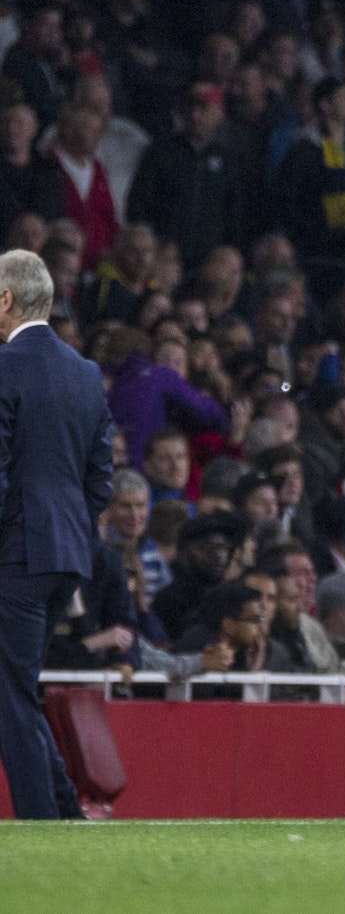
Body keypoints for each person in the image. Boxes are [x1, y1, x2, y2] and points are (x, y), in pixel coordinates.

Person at [0, 248, 114, 819]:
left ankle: (42, 821)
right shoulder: (86, 372)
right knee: (15, 688)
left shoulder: (3, 368)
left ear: (5, 300)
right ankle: (65, 811)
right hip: (67, 552)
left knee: (9, 695)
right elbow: (101, 480)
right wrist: (71, 533)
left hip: (17, 555)